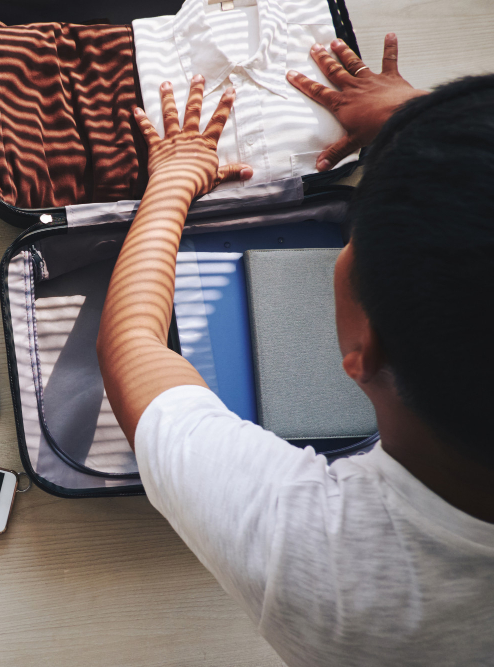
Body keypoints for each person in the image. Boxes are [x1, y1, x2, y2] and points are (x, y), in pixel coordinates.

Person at [97, 34, 494, 666]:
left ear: (363, 348)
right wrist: (422, 128)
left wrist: (171, 181)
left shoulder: (322, 561)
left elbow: (131, 347)